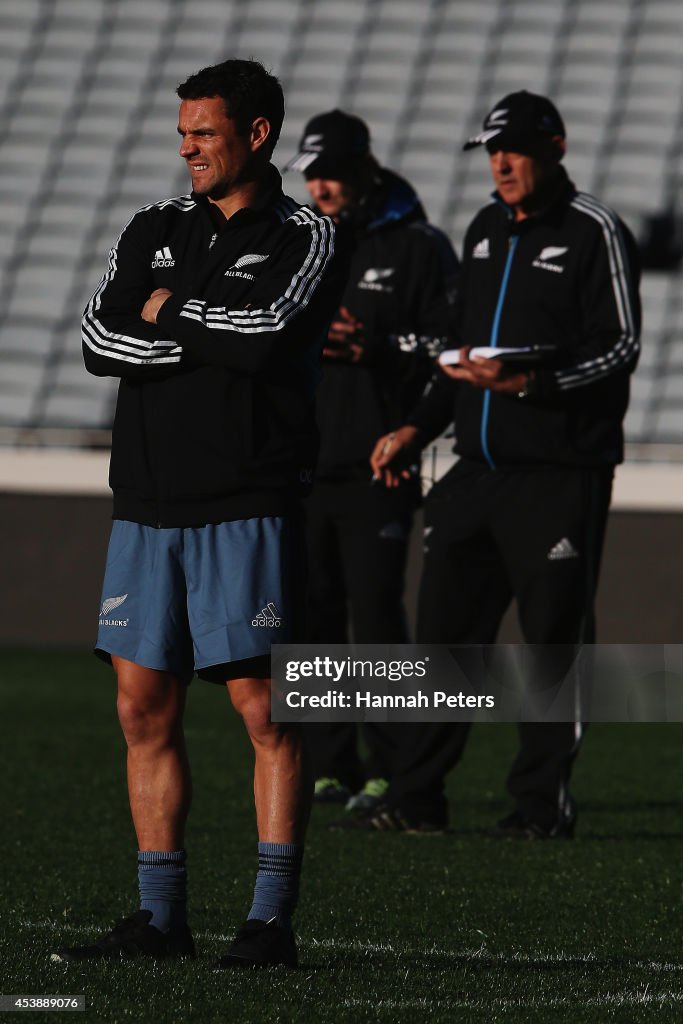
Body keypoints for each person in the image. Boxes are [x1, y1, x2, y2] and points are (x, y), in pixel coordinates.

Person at [52, 59, 347, 967]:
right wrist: (204, 324)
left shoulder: (306, 233)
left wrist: (168, 310)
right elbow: (102, 339)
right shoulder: (153, 226)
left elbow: (266, 340)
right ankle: (161, 919)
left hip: (247, 502)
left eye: (204, 133)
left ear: (255, 135)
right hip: (145, 503)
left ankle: (268, 923)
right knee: (142, 707)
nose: (187, 148)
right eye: (182, 133)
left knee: (266, 714)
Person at [368, 90, 641, 837]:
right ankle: (416, 796)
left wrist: (530, 383)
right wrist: (416, 429)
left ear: (554, 147)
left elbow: (619, 347)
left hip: (558, 475)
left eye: (514, 149)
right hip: (473, 472)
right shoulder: (485, 228)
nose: (500, 163)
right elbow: (455, 351)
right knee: (444, 642)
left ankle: (538, 806)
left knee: (551, 643)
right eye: (490, 151)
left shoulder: (595, 232)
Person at [284, 110, 458, 811]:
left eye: (330, 173)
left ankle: (392, 766)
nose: (320, 188)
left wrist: (375, 348)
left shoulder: (419, 246)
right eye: (312, 175)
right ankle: (328, 765)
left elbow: (449, 352)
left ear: (364, 168)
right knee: (312, 617)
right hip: (302, 463)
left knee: (377, 620)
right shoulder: (298, 244)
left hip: (378, 464)